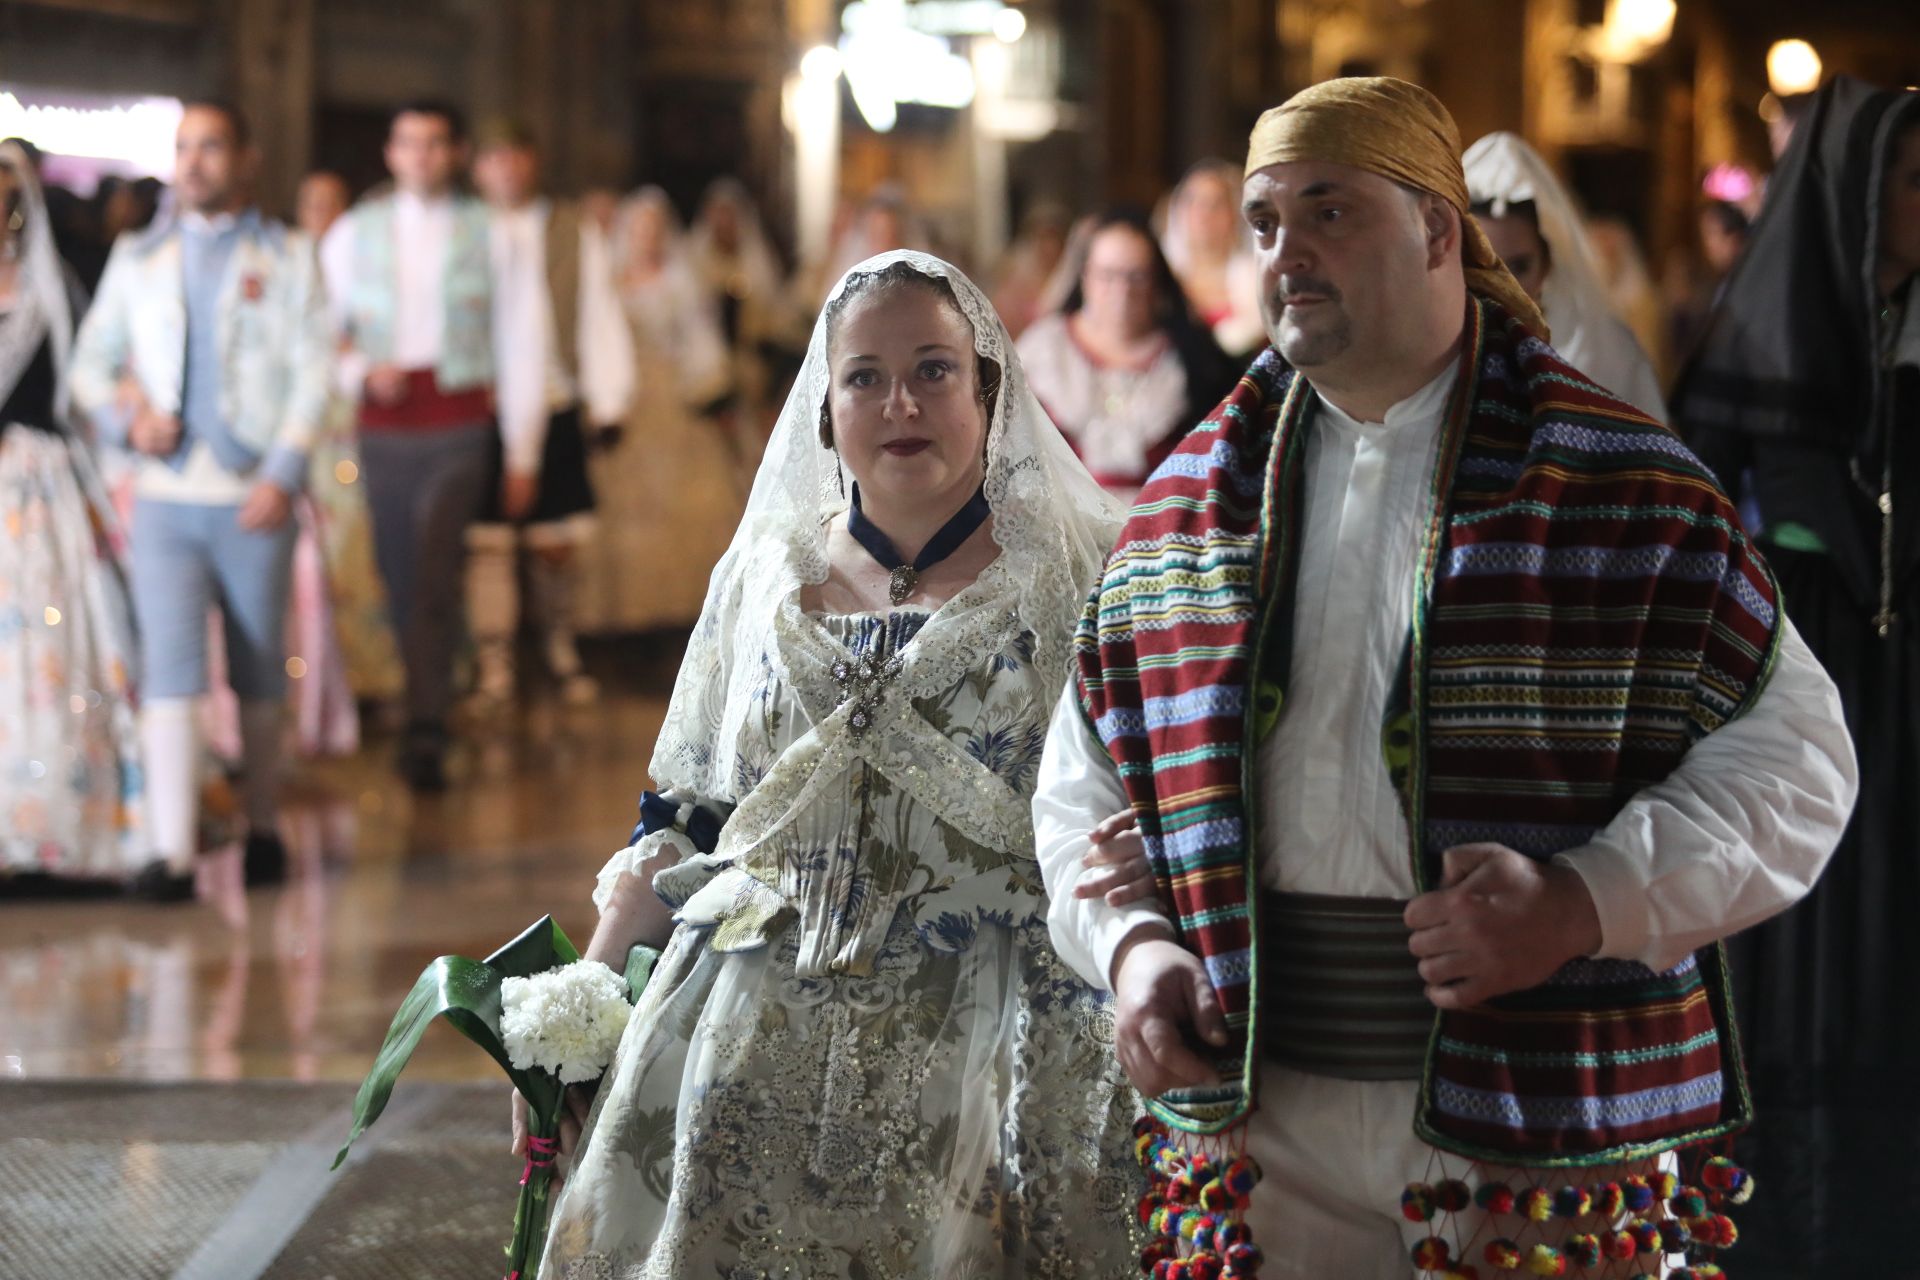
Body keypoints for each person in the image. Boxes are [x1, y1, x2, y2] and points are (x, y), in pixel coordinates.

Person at [1036, 77, 1856, 1274]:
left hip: (1540, 1136)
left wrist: (1584, 902)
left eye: (1330, 210)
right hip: (1261, 1134)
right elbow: (1083, 781)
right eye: (1265, 223)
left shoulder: (1623, 492)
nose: (1287, 252)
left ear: (1436, 227)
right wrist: (1133, 946)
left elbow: (1800, 761)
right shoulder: (1183, 515)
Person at [523, 251, 1140, 1277]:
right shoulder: (764, 573)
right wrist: (583, 1014)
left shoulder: (1086, 567)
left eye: (935, 369)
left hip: (1004, 1014)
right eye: (865, 375)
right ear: (825, 405)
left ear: (988, 390)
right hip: (754, 1015)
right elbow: (684, 806)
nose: (901, 401)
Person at [1673, 77, 1920, 1273]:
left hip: (1908, 686)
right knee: (1818, 951)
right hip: (1807, 689)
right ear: (1858, 197)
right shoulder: (1763, 341)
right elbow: (1692, 538)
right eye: (1916, 181)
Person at [69, 101, 331, 900]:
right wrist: (127, 414)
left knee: (258, 666)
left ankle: (259, 824)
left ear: (245, 158)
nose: (193, 162)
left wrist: (283, 473)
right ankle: (170, 849)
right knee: (169, 666)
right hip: (165, 496)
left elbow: (314, 368)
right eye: (183, 148)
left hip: (252, 494)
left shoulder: (287, 254)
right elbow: (89, 362)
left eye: (211, 146)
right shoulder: (139, 256)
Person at [320, 101, 496, 791]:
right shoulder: (353, 233)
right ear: (391, 153)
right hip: (385, 425)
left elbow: (519, 328)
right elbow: (321, 327)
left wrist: (526, 449)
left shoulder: (488, 230)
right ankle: (425, 692)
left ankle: (428, 721)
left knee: (433, 561)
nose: (421, 156)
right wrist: (361, 370)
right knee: (399, 573)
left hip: (458, 417)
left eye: (434, 143)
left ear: (453, 152)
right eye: (408, 143)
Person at [0, 139, 146, 894]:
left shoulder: (46, 285)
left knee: (48, 650)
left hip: (34, 487)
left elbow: (79, 390)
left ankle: (49, 822)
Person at [464, 120, 634, 708]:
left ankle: (559, 645)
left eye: (515, 156)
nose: (506, 169)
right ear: (477, 167)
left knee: (555, 544)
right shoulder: (466, 227)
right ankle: (494, 660)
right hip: (481, 405)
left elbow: (597, 311)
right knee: (487, 543)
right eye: (494, 159)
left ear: (532, 161)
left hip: (553, 397)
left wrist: (609, 396)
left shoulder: (569, 228)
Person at [574, 187, 736, 634]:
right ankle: (619, 618)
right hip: (622, 399)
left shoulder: (681, 281)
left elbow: (699, 343)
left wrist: (708, 389)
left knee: (678, 506)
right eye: (639, 229)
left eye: (654, 229)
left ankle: (671, 617)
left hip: (669, 402)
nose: (646, 238)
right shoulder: (610, 280)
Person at [1019, 207, 1237, 503]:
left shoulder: (1193, 361)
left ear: (1156, 282)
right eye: (1107, 276)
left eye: (1136, 277)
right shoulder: (1044, 351)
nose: (1122, 291)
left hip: (1161, 528)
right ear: (1085, 277)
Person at [1464, 131, 1668, 420]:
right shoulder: (1437, 353)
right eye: (1485, 265)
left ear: (1549, 263)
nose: (1504, 286)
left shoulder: (1605, 352)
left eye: (1520, 267)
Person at [1161, 159, 1266, 357]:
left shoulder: (1258, 282)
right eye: (1192, 202)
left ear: (1235, 214)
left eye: (1216, 204)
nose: (1203, 214)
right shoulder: (1163, 278)